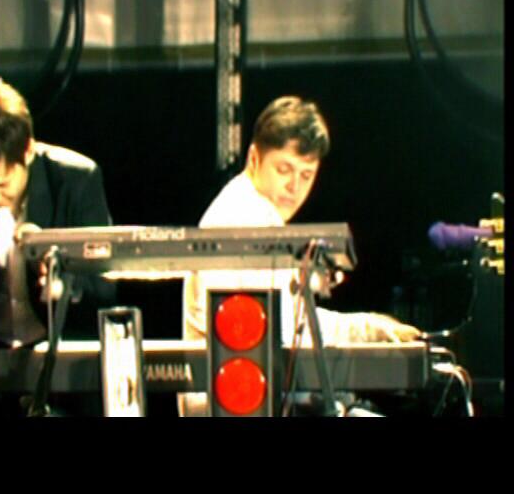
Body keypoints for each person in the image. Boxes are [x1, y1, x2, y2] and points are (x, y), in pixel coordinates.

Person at [179, 96, 421, 416]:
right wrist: (367, 330)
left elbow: (291, 322)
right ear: (253, 158)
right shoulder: (240, 220)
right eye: (284, 170)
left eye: (306, 175)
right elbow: (282, 333)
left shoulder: (261, 217)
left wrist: (370, 328)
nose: (294, 186)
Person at [0, 77, 116, 415]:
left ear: (27, 151)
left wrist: (60, 284)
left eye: (2, 184)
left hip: (58, 363)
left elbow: (104, 287)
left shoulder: (76, 179)